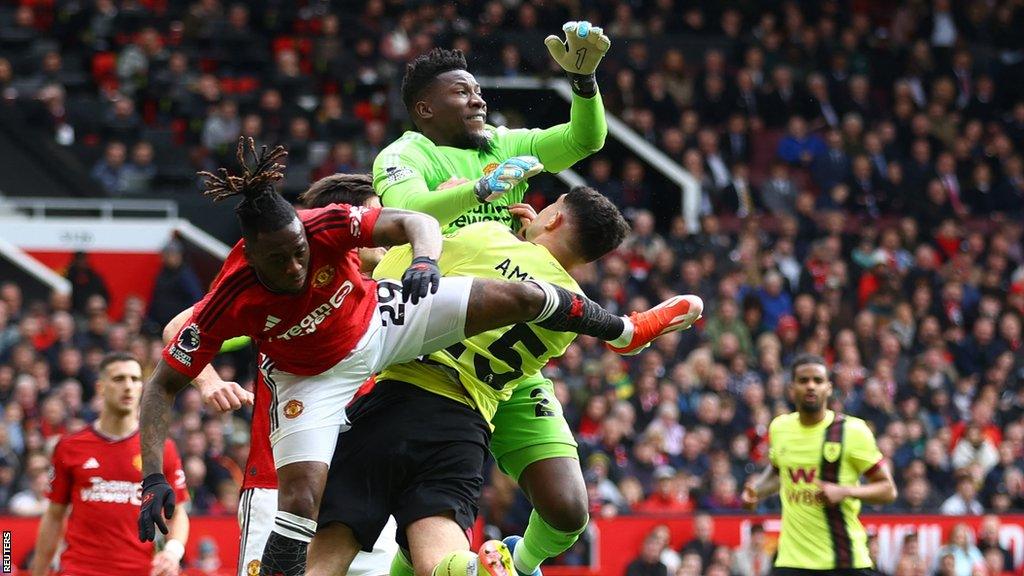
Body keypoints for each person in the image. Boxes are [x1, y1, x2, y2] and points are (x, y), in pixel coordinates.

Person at [137, 138, 699, 576]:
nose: (291, 269)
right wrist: (198, 394)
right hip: (400, 412)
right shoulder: (236, 300)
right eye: (277, 261)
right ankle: (622, 331)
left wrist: (435, 251)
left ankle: (624, 330)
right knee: (337, 516)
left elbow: (415, 222)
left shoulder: (344, 241)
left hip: (395, 360)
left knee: (327, 532)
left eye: (299, 254)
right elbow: (175, 346)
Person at [309, 186, 700, 576]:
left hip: (400, 395)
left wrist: (447, 215)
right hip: (466, 423)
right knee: (438, 561)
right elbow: (519, 280)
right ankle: (480, 569)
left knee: (330, 548)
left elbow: (393, 277)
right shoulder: (571, 314)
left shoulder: (487, 238)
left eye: (553, 206)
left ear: (554, 218)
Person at [373, 22, 614, 576]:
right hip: (433, 346)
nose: (477, 96)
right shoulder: (404, 154)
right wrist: (483, 190)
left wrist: (584, 85)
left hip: (505, 350)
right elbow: (413, 213)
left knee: (568, 507)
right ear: (424, 109)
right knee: (429, 516)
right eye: (460, 90)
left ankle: (518, 566)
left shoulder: (503, 145)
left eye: (478, 87)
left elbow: (584, 140)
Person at [162, 174, 399, 576]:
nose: (384, 227)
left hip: (363, 491)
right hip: (278, 485)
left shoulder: (380, 289)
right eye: (374, 213)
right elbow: (177, 329)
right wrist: (209, 381)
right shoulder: (276, 297)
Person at [31, 352, 190, 576]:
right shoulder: (70, 446)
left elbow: (178, 512)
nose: (128, 386)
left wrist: (173, 552)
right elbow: (54, 515)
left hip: (140, 570)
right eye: (119, 379)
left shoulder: (162, 448)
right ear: (100, 388)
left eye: (135, 380)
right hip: (79, 570)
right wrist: (38, 572)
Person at [742, 353, 897, 575]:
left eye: (818, 380)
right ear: (791, 389)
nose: (811, 386)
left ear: (829, 387)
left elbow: (888, 490)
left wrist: (845, 491)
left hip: (844, 561)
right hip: (792, 561)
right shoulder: (780, 428)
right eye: (803, 381)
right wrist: (756, 491)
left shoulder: (852, 431)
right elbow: (779, 473)